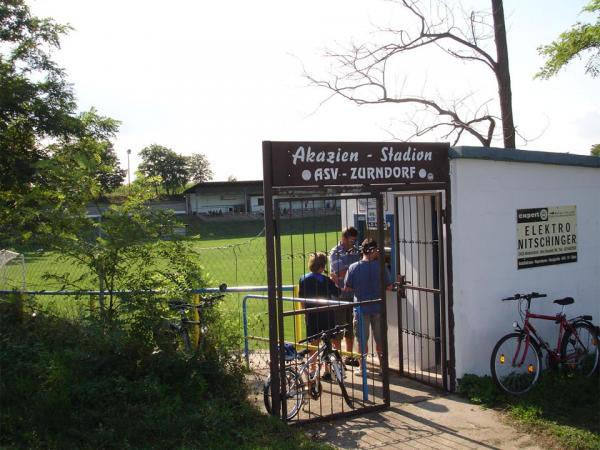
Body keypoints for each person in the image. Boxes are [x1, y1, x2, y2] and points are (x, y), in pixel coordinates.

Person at [344, 238, 393, 376]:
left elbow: (347, 288)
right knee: (380, 340)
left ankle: (363, 368)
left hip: (361, 309)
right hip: (378, 308)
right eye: (377, 249)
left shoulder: (354, 267)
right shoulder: (381, 267)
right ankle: (383, 368)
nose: (378, 252)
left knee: (362, 340)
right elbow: (389, 287)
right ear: (373, 250)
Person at [298, 252, 341, 378]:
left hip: (311, 314)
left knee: (313, 342)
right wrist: (335, 281)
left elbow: (301, 298)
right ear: (322, 267)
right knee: (327, 343)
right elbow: (337, 293)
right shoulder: (326, 280)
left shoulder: (303, 279)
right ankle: (327, 370)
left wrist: (304, 312)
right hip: (326, 314)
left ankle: (312, 369)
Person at [329, 226, 361, 366]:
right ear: (343, 238)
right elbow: (341, 273)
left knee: (350, 330)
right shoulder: (335, 252)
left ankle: (349, 356)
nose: (353, 243)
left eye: (354, 240)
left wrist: (352, 271)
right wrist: (356, 270)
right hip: (339, 297)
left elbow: (347, 272)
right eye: (351, 240)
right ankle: (337, 358)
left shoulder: (356, 250)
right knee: (337, 330)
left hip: (353, 296)